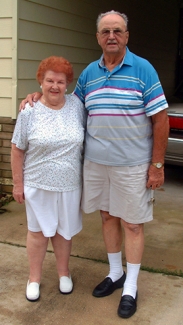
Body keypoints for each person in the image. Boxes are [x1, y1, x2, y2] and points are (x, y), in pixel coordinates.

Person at [20, 10, 169, 318]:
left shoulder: (144, 70)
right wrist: (37, 94)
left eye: (117, 30)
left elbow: (161, 119)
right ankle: (115, 274)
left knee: (132, 223)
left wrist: (156, 164)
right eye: (105, 31)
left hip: (133, 165)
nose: (111, 36)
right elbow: (66, 103)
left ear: (126, 36)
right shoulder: (90, 73)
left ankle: (131, 286)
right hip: (96, 164)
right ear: (98, 37)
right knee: (107, 217)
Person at [11, 56, 86, 302]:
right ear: (40, 82)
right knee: (38, 232)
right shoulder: (29, 110)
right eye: (49, 80)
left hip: (69, 184)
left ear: (68, 84)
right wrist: (18, 184)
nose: (55, 86)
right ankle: (34, 279)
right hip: (37, 183)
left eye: (61, 81)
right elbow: (17, 149)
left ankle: (64, 274)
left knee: (64, 233)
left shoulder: (77, 106)